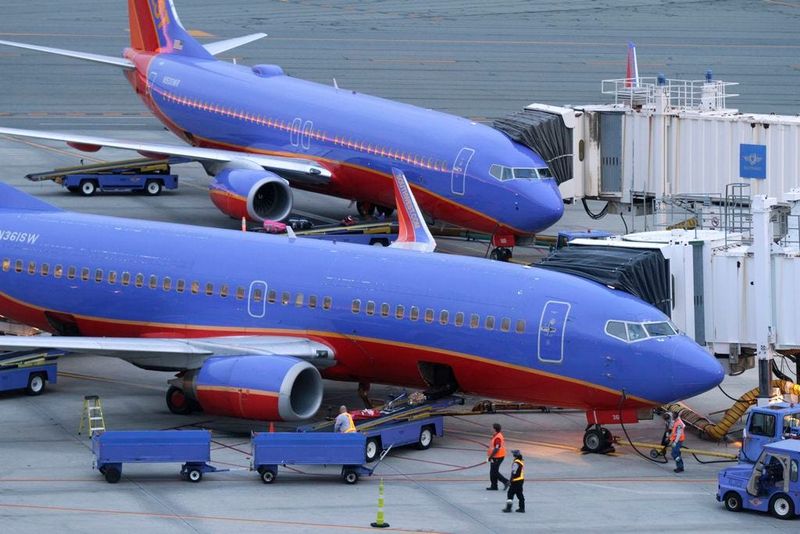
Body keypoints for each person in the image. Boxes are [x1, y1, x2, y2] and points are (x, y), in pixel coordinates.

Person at [486, 423, 509, 490]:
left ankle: (506, 481)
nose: (490, 429)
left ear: (494, 429)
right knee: (493, 471)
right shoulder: (496, 435)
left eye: (491, 428)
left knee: (494, 472)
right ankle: (494, 486)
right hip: (495, 457)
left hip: (498, 457)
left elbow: (497, 448)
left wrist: (491, 457)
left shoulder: (498, 438)